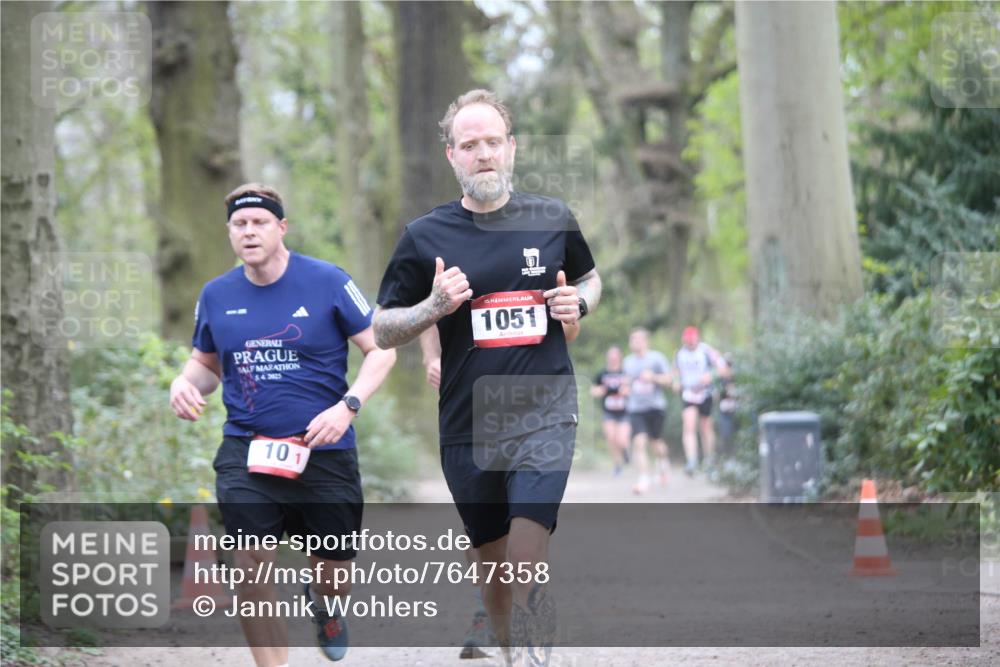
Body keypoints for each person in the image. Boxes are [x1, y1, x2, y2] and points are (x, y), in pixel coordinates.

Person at [373, 89, 601, 667]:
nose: (483, 154)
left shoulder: (552, 218)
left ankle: (527, 655)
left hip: (545, 408)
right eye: (469, 145)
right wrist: (432, 308)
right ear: (451, 155)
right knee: (494, 562)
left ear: (512, 149)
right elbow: (381, 329)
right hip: (468, 423)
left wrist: (580, 303)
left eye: (492, 142)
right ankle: (509, 649)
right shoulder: (425, 237)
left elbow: (592, 279)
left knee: (526, 550)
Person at [168, 183, 396, 666]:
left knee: (334, 567)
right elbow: (205, 365)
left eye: (259, 222)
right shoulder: (215, 295)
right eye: (239, 224)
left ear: (281, 227)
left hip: (324, 448)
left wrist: (347, 406)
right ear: (230, 232)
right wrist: (183, 384)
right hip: (247, 449)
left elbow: (382, 350)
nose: (249, 232)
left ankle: (327, 605)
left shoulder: (328, 281)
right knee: (250, 564)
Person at [673, 326, 729, 475]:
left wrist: (711, 375)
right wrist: (676, 382)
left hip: (706, 393)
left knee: (706, 428)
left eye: (693, 341)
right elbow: (676, 372)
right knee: (689, 425)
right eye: (688, 342)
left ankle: (709, 460)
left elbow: (723, 369)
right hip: (688, 394)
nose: (691, 344)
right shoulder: (680, 354)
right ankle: (691, 461)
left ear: (697, 339)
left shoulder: (707, 351)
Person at [623, 328, 672, 495]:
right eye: (632, 340)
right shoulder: (628, 361)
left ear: (645, 342)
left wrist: (653, 377)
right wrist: (625, 387)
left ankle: (663, 463)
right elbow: (627, 382)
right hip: (636, 408)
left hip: (655, 406)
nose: (634, 343)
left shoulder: (656, 358)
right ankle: (643, 479)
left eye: (637, 339)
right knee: (639, 442)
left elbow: (668, 380)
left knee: (656, 443)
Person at [590, 346, 631, 475]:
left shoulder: (625, 372)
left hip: (624, 411)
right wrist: (603, 390)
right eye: (611, 356)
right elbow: (594, 391)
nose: (613, 359)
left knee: (622, 439)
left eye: (615, 356)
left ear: (620, 357)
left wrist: (625, 390)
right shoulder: (602, 374)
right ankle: (617, 464)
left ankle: (625, 452)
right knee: (611, 438)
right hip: (608, 412)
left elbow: (630, 390)